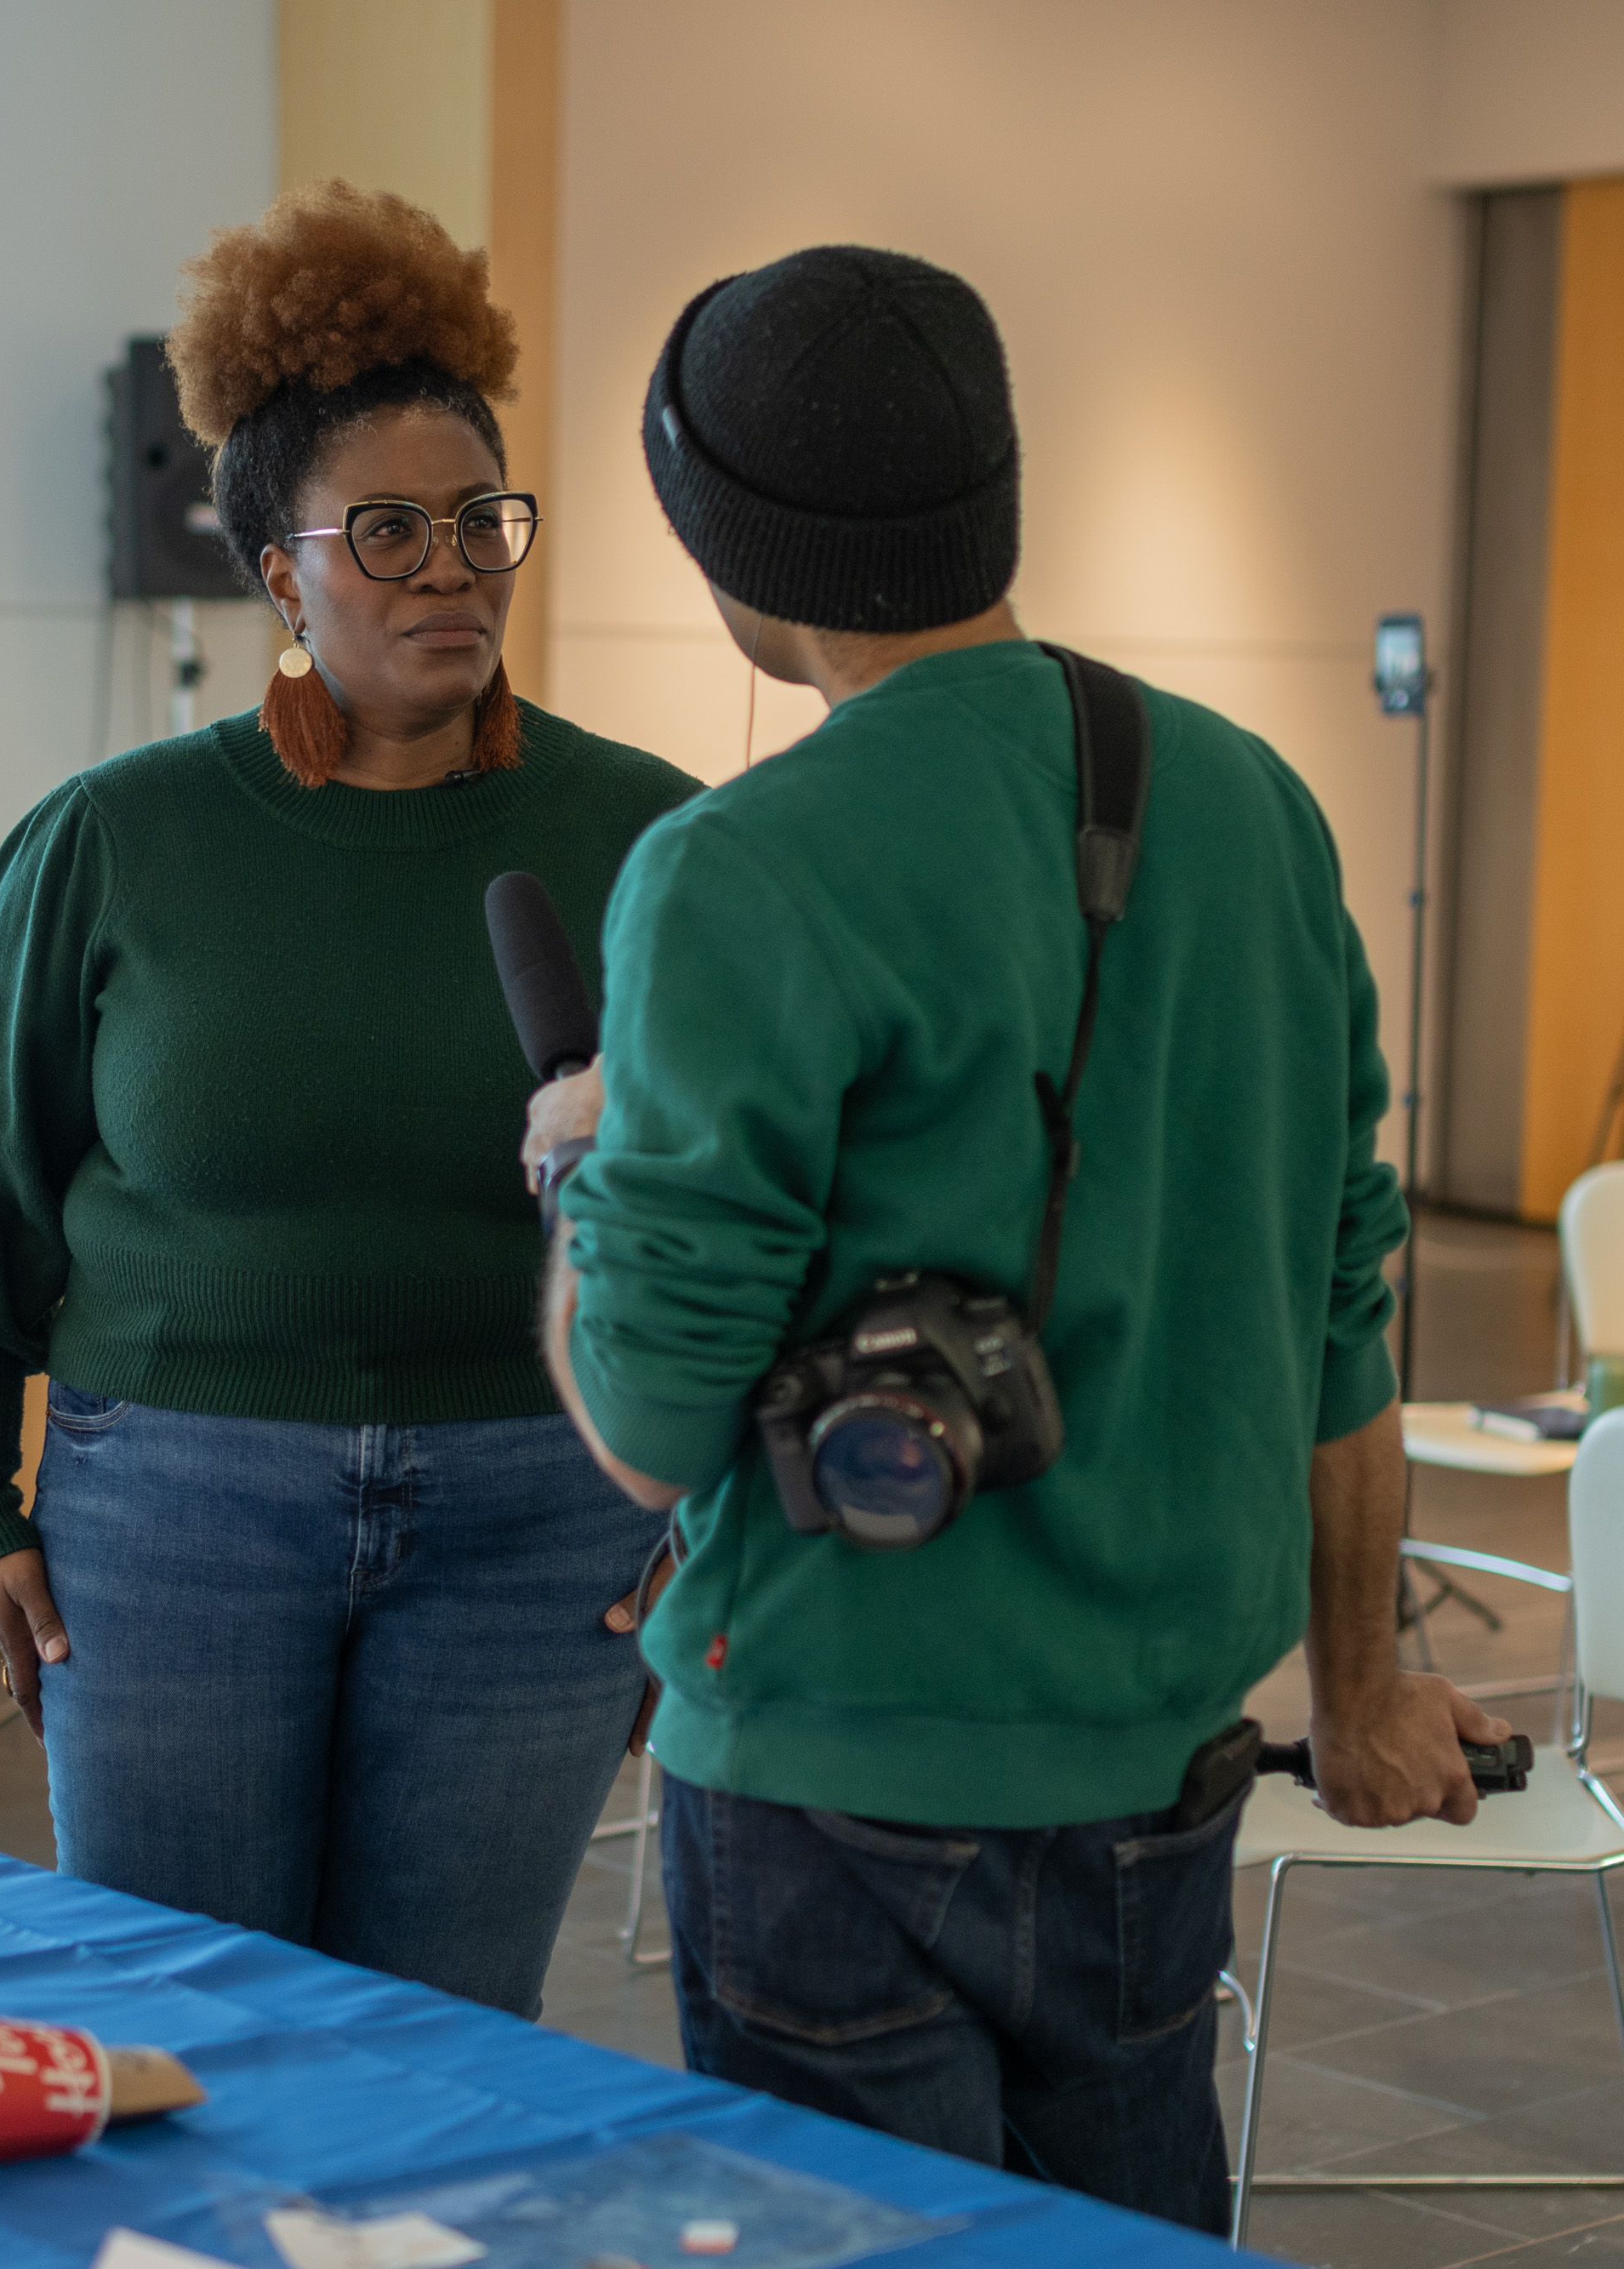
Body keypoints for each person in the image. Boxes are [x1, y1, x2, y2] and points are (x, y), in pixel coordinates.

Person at [533, 246, 1501, 2230]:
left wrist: (580, 1164)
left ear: (725, 544)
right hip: (1156, 1760)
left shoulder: (733, 869)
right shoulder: (1251, 806)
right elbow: (1342, 1309)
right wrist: (1360, 1678)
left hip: (830, 1756)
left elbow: (644, 1418)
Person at [0, 184, 699, 2014]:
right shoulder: (114, 836)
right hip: (172, 1502)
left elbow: (744, 1208)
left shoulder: (643, 833)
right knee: (185, 2036)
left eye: (479, 522)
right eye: (387, 532)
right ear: (277, 573)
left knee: (445, 2040)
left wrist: (696, 1513)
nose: (452, 571)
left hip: (537, 1511)